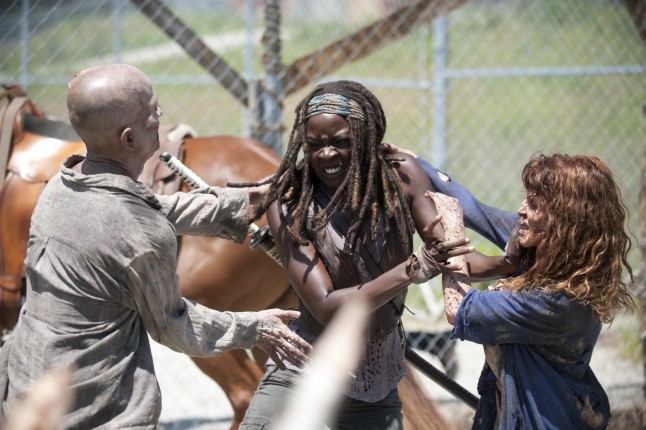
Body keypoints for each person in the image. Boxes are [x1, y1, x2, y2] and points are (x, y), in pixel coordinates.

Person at [0, 63, 311, 429]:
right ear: (129, 139)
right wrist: (257, 327)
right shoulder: (139, 236)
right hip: (95, 412)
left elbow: (152, 207)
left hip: (25, 392)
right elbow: (176, 325)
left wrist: (244, 202)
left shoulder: (63, 184)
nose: (160, 113)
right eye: (151, 110)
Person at [238, 80, 474, 430]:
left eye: (340, 142)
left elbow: (452, 254)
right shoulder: (289, 199)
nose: (326, 154)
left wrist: (510, 262)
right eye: (314, 145)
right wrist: (413, 269)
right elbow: (326, 306)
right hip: (304, 368)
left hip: (374, 380)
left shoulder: (401, 175)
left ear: (364, 138)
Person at [432, 153, 636, 429]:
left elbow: (458, 309)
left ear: (563, 223)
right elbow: (477, 211)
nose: (521, 211)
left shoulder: (557, 300)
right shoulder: (554, 259)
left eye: (534, 204)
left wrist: (452, 229)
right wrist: (417, 163)